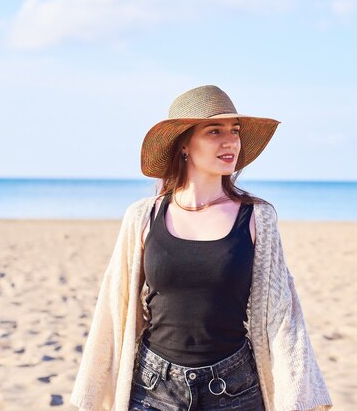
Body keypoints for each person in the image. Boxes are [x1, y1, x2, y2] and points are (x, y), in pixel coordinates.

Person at [69, 85, 333, 411]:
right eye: (214, 131)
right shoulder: (143, 216)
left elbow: (283, 315)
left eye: (234, 131)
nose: (230, 141)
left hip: (235, 387)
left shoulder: (257, 217)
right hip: (154, 388)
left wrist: (296, 397)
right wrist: (93, 392)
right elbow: (114, 305)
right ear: (184, 145)